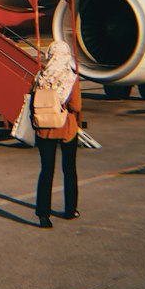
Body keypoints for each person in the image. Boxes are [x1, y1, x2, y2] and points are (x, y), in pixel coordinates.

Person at [32, 39, 82, 228]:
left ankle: (43, 214)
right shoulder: (71, 78)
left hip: (44, 130)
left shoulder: (40, 77)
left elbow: (32, 101)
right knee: (69, 170)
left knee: (46, 171)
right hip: (66, 128)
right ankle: (71, 209)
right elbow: (75, 106)